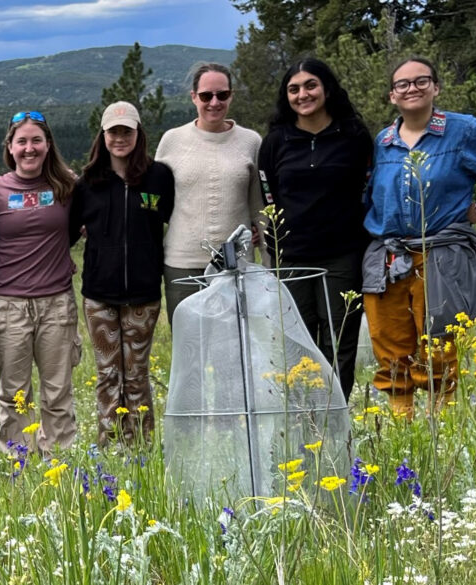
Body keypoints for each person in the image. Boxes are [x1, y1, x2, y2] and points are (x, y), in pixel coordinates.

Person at [362, 57, 476, 418]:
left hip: (441, 254)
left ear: (436, 88)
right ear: (392, 96)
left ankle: (439, 427)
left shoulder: (463, 131)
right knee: (390, 345)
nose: (412, 88)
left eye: (421, 81)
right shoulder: (383, 141)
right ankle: (401, 428)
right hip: (389, 258)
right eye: (402, 84)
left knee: (439, 344)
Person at [258, 58, 373, 401]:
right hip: (292, 257)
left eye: (310, 86)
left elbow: (368, 189)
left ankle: (337, 415)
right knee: (299, 343)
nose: (302, 94)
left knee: (339, 341)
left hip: (343, 255)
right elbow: (270, 198)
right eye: (294, 89)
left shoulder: (353, 135)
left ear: (326, 88)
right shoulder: (275, 141)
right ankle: (305, 419)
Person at [70, 101, 175, 446]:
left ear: (138, 133)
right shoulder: (87, 183)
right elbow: (68, 232)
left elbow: (177, 221)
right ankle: (110, 445)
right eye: (113, 132)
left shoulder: (159, 176)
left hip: (143, 295)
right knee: (107, 375)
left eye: (127, 131)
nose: (120, 138)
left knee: (136, 375)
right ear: (103, 135)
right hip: (99, 296)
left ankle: (142, 448)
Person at [0, 111, 80, 455]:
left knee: (57, 392)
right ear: (10, 147)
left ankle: (60, 462)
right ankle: (17, 464)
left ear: (48, 144)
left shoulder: (67, 185)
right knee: (14, 394)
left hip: (56, 302)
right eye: (21, 141)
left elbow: (76, 229)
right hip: (9, 304)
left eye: (36, 140)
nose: (29, 148)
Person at [156, 62, 265, 324]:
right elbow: (154, 200)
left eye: (222, 95)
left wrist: (270, 262)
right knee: (189, 348)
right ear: (194, 97)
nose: (214, 102)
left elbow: (259, 207)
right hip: (183, 264)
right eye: (206, 96)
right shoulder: (172, 140)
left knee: (237, 348)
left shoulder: (251, 141)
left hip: (235, 265)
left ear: (231, 95)